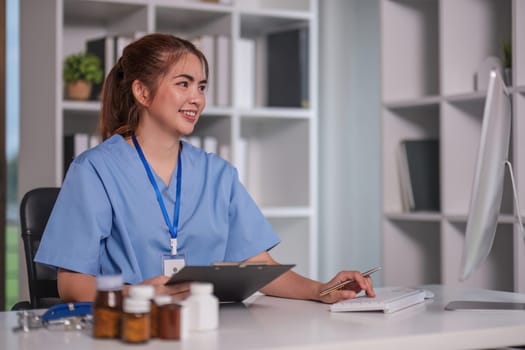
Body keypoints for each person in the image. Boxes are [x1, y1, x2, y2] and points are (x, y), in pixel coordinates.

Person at [35, 33, 375, 304]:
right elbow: (72, 283)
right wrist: (137, 295)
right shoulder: (94, 170)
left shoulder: (218, 174)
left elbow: (259, 268)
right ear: (142, 91)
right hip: (131, 329)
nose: (197, 98)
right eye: (183, 84)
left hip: (207, 331)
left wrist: (322, 290)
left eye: (201, 86)